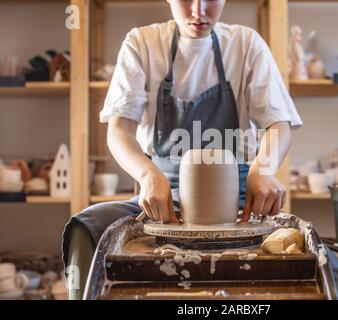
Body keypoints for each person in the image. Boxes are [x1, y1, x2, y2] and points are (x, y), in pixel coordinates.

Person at [62, 0, 302, 299]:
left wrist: (264, 168)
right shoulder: (143, 43)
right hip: (162, 200)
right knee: (86, 228)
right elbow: (118, 130)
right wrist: (148, 174)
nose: (199, 11)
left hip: (239, 204)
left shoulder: (245, 42)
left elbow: (279, 123)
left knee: (315, 254)